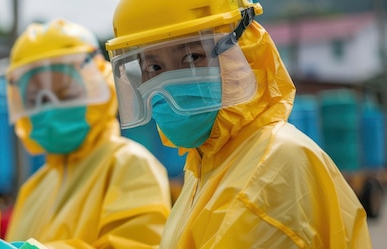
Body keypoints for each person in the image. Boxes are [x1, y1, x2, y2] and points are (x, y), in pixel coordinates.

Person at [105, 0, 372, 248]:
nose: (167, 85)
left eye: (191, 58)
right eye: (153, 67)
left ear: (243, 52)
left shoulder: (272, 164)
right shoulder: (207, 167)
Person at [4, 19, 172, 248]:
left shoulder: (128, 164)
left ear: (98, 86)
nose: (50, 108)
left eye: (65, 93)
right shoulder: (33, 188)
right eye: (35, 99)